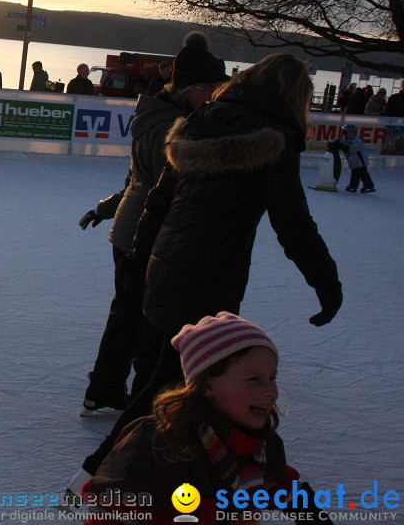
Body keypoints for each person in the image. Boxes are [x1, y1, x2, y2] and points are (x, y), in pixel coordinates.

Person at [70, 52, 343, 493]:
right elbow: (294, 225)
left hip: (167, 273)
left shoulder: (203, 119)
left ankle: (164, 469)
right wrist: (327, 286)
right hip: (206, 283)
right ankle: (93, 476)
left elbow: (159, 199)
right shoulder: (271, 139)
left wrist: (143, 259)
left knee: (171, 382)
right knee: (165, 387)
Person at [78, 32, 229, 417]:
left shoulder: (163, 114)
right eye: (210, 88)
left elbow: (137, 178)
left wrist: (108, 207)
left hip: (140, 225)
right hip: (145, 233)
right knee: (140, 321)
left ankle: (107, 389)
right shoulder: (171, 125)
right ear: (192, 87)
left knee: (131, 316)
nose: (214, 95)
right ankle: (133, 398)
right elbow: (159, 182)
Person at [85, 313, 322, 522]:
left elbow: (278, 486)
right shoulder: (160, 445)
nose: (270, 391)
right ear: (208, 384)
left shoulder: (261, 447)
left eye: (272, 377)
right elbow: (111, 512)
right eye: (254, 379)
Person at [335, 123, 375, 193]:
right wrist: (336, 144)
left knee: (356, 174)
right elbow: (341, 145)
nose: (351, 135)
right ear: (345, 134)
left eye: (353, 134)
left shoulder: (357, 141)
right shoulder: (345, 140)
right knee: (363, 174)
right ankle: (368, 186)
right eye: (349, 134)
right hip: (355, 161)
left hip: (360, 161)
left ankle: (353, 186)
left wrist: (343, 147)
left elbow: (352, 149)